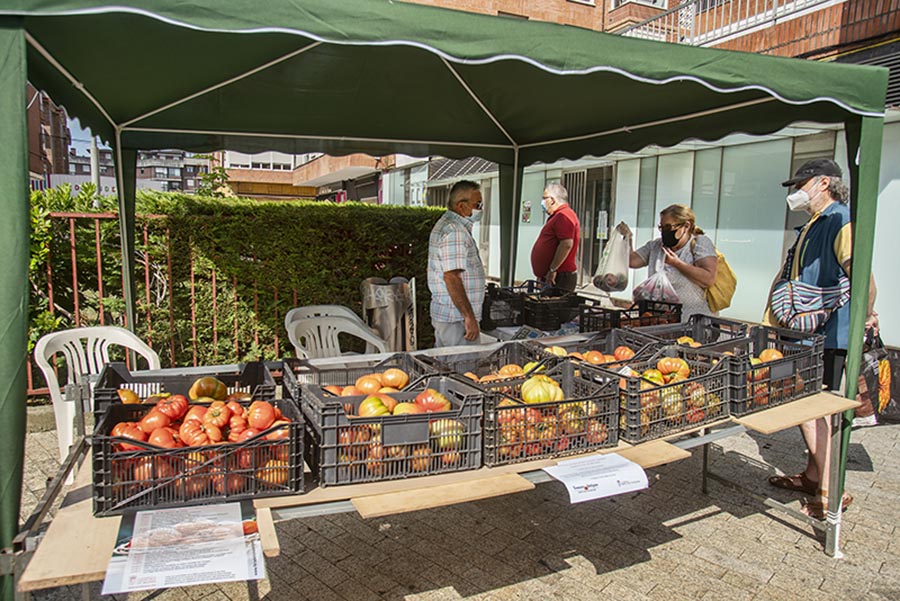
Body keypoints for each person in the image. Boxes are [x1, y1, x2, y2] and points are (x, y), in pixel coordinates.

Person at [763, 158, 878, 518]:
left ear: (823, 183)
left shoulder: (840, 220)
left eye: (801, 184)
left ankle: (832, 490)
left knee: (813, 407)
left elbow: (862, 278)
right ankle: (814, 476)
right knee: (806, 404)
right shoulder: (813, 223)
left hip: (827, 334)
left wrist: (864, 316)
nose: (797, 192)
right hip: (803, 334)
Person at [615, 204, 718, 322]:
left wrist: (677, 263)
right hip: (662, 321)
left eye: (668, 227)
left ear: (686, 226)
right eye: (662, 227)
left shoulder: (699, 243)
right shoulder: (656, 246)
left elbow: (709, 278)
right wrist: (627, 238)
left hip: (693, 322)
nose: (664, 232)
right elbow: (632, 261)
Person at [427, 180, 486, 348]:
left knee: (447, 368)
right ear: (461, 206)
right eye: (477, 204)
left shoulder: (449, 225)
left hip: (451, 316)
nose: (480, 208)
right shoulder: (455, 232)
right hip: (456, 319)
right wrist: (469, 317)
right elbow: (451, 277)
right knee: (463, 371)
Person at [530, 183, 580, 292]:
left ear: (552, 200)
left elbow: (566, 244)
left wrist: (553, 269)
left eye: (544, 198)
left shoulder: (564, 215)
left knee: (554, 307)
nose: (542, 202)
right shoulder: (557, 216)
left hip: (560, 276)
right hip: (551, 275)